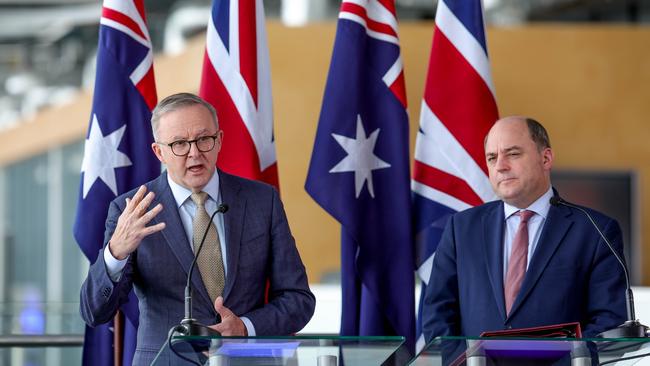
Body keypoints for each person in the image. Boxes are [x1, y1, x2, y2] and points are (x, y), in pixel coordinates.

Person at [80, 92, 315, 365]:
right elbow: (94, 312)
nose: (194, 153)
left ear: (219, 141)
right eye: (179, 143)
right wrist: (115, 253)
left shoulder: (262, 201)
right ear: (159, 152)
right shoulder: (132, 210)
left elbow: (298, 299)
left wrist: (245, 327)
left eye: (204, 139)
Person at [422, 116, 627, 344]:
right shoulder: (461, 228)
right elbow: (437, 315)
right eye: (492, 157)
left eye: (513, 154)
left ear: (546, 158)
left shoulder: (595, 230)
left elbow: (609, 321)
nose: (500, 166)